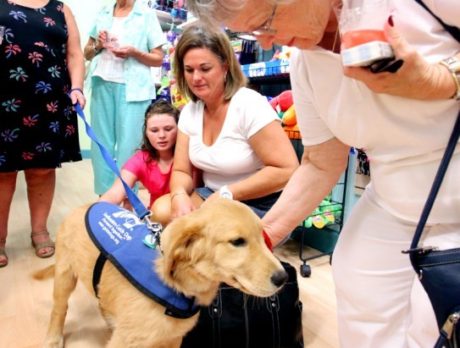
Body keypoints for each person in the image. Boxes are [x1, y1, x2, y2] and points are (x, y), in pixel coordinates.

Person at [182, 1, 460, 347]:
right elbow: (320, 162)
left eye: (267, 21)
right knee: (357, 278)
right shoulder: (305, 63)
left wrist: (441, 82)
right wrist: (258, 240)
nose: (267, 43)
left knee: (435, 318)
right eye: (253, 33)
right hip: (393, 198)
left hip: (454, 200)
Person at [152, 23, 298, 228]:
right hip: (213, 197)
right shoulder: (189, 112)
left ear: (225, 66)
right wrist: (178, 195)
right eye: (189, 70)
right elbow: (182, 171)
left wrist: (228, 193)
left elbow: (287, 169)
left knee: (209, 233)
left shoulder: (249, 104)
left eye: (205, 68)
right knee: (162, 211)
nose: (196, 78)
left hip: (261, 202)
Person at [0, 0, 85, 267]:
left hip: (48, 99)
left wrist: (78, 88)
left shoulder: (61, 9)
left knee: (43, 169)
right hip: (5, 98)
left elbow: (74, 55)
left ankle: (40, 231)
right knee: (2, 172)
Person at [83, 0, 165, 197]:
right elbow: (87, 53)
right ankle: (105, 198)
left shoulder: (146, 15)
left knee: (130, 147)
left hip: (133, 89)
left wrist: (134, 52)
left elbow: (158, 58)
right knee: (101, 146)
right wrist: (99, 45)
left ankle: (128, 198)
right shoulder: (103, 12)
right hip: (101, 83)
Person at [99, 99, 179, 209]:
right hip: (158, 217)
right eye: (154, 130)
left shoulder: (189, 154)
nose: (161, 135)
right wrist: (94, 212)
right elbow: (115, 193)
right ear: (146, 132)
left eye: (168, 129)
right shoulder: (141, 159)